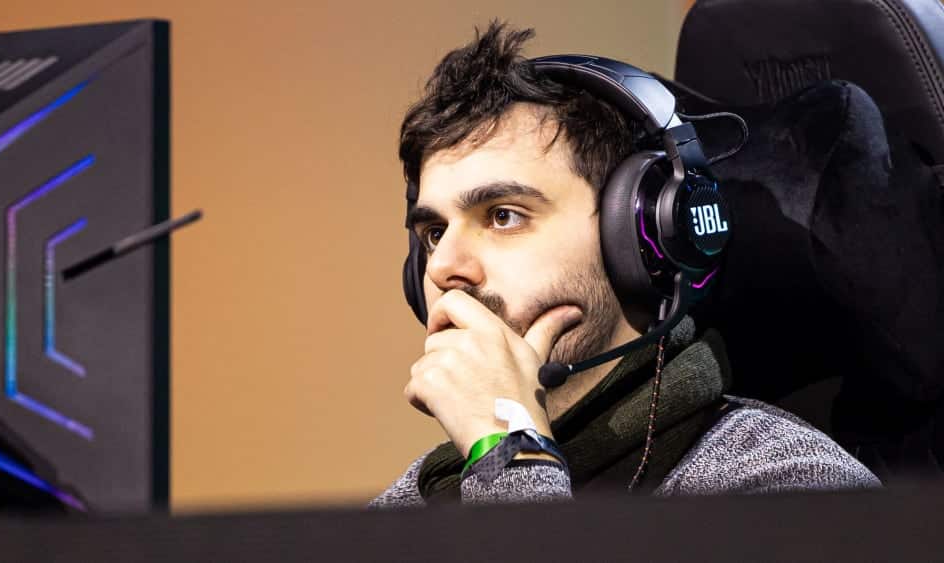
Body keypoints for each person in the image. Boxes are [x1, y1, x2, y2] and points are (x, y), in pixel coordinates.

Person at [370, 22, 879, 507]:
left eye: (503, 216)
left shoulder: (787, 484)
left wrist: (508, 448)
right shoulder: (423, 496)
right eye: (434, 233)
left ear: (638, 237)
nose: (442, 267)